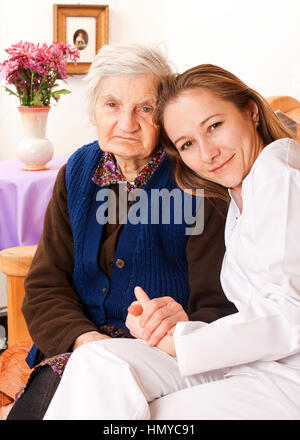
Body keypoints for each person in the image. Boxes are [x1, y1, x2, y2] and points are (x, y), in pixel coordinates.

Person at [43, 64, 300, 420]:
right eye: (188, 143)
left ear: (251, 112)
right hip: (239, 361)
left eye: (215, 126)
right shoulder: (236, 189)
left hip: (282, 378)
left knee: (142, 414)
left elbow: (289, 314)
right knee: (97, 360)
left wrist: (180, 339)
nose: (208, 153)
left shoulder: (278, 181)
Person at [7, 50, 236, 420]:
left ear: (163, 118)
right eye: (112, 104)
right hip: (79, 347)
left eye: (145, 109)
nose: (126, 123)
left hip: (161, 357)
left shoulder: (195, 182)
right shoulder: (77, 172)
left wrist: (183, 321)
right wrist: (85, 341)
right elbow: (46, 284)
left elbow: (223, 304)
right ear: (93, 112)